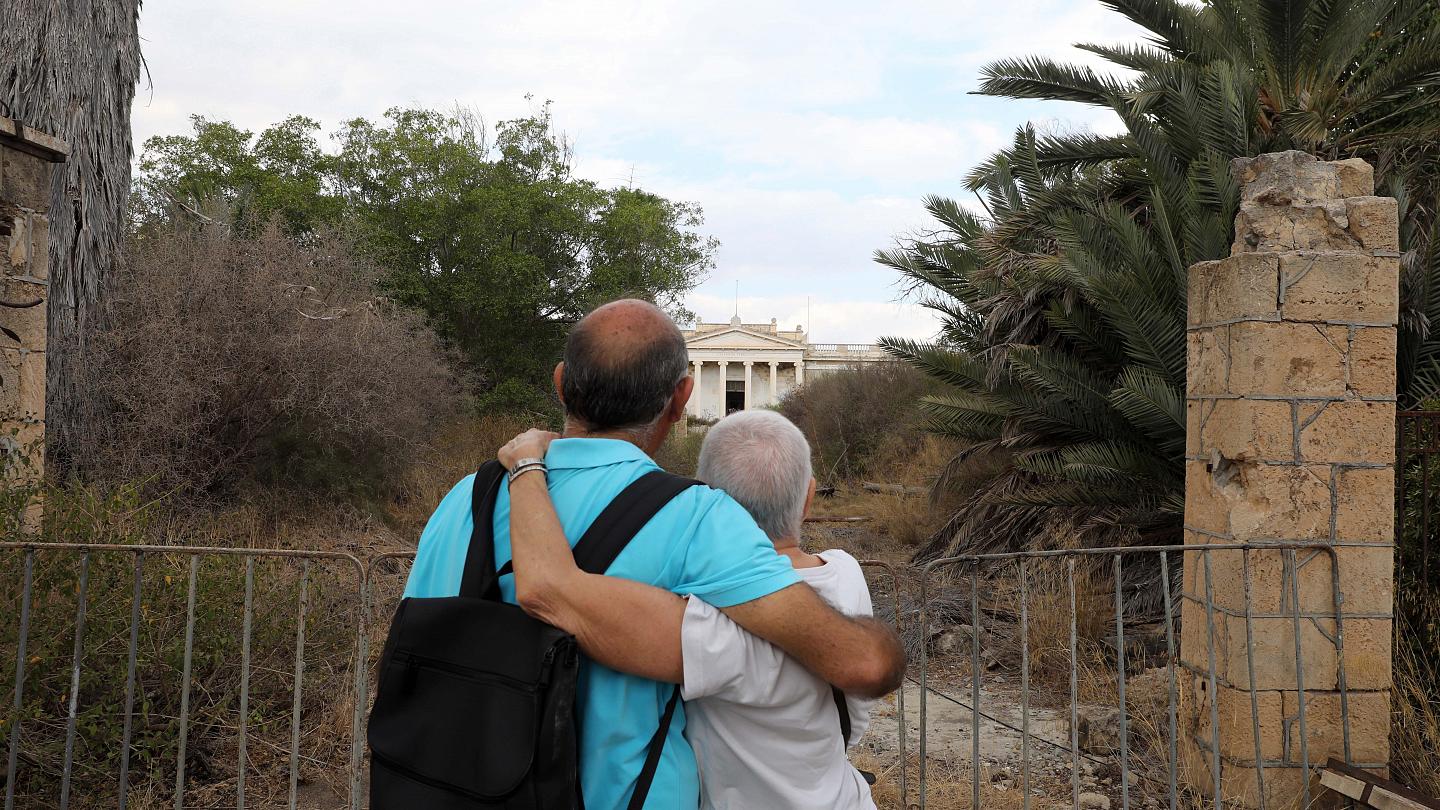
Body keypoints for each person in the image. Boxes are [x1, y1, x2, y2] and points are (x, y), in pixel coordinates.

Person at [403, 299, 904, 810]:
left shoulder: (465, 497)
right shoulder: (696, 519)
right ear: (682, 396)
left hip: (441, 781)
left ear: (560, 383)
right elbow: (857, 661)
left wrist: (530, 470)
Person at [498, 410, 879, 810]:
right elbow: (856, 718)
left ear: (708, 496)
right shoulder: (846, 570)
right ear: (808, 497)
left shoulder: (705, 616)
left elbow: (557, 592)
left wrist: (527, 469)